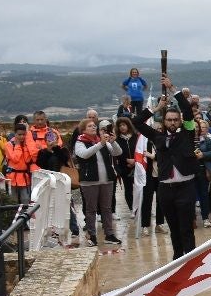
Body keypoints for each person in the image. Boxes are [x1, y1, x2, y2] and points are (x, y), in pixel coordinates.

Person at [132, 74, 198, 258]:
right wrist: (156, 108)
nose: (172, 122)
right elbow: (136, 122)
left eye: (175, 119)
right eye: (169, 119)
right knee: (173, 227)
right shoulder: (157, 136)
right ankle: (177, 257)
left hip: (186, 187)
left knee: (186, 227)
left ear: (180, 120)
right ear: (165, 121)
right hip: (166, 189)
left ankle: (191, 258)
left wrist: (172, 89)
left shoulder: (188, 133)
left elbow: (187, 109)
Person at [73, 118, 123, 246]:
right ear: (83, 129)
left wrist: (113, 141)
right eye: (90, 126)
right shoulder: (80, 142)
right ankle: (92, 235)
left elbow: (118, 152)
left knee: (107, 208)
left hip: (107, 180)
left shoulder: (102, 140)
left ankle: (109, 234)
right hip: (89, 181)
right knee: (91, 209)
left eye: (94, 126)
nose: (93, 127)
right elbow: (84, 154)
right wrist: (100, 143)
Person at [1, 122, 35, 206]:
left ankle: (26, 217)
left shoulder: (26, 144)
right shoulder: (9, 145)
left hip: (24, 176)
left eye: (24, 135)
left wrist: (25, 146)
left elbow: (27, 160)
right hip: (12, 176)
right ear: (15, 133)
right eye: (19, 134)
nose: (22, 137)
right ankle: (13, 217)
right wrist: (17, 146)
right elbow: (15, 159)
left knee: (26, 199)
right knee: (13, 200)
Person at [114, 119, 138, 215]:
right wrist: (127, 160)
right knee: (128, 189)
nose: (122, 127)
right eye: (120, 126)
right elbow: (117, 153)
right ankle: (132, 209)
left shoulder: (136, 137)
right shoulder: (117, 140)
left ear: (128, 125)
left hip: (138, 166)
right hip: (124, 167)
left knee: (140, 188)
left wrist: (135, 161)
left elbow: (140, 149)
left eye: (124, 125)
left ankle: (141, 206)